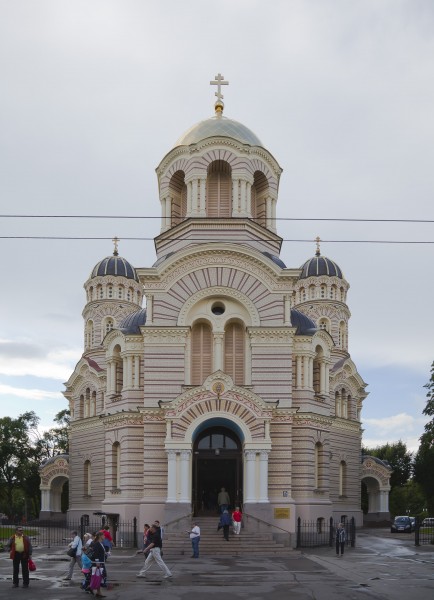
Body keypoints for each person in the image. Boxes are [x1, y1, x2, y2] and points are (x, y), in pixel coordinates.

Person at [89, 531, 107, 597]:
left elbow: (100, 552)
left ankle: (98, 592)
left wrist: (106, 554)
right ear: (100, 536)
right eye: (103, 535)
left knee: (99, 577)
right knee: (98, 576)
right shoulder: (97, 543)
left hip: (101, 562)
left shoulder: (100, 543)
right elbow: (96, 553)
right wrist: (97, 562)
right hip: (98, 563)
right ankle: (91, 588)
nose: (104, 536)